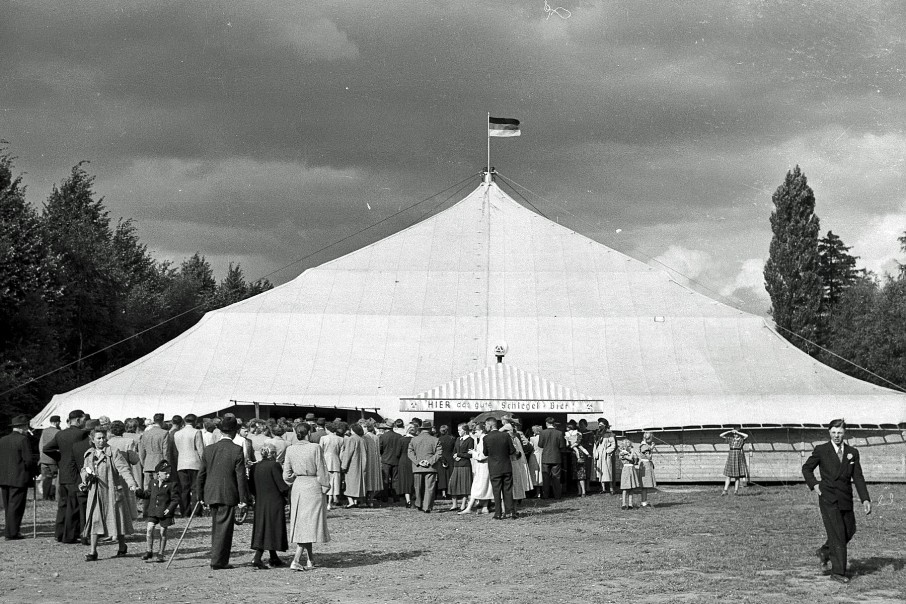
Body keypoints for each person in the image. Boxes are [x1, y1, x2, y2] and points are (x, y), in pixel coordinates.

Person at [802, 419, 871, 584]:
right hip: (828, 497)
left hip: (845, 498)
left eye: (839, 432)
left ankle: (825, 552)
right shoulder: (821, 450)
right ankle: (838, 572)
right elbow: (807, 468)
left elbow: (858, 477)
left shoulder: (852, 452)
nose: (836, 436)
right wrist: (815, 485)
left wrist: (865, 498)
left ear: (844, 433)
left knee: (850, 529)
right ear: (829, 433)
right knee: (838, 534)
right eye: (833, 432)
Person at [196, 416, 250, 570]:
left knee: (217, 527)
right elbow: (240, 477)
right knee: (224, 530)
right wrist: (243, 498)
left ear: (220, 431)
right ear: (234, 431)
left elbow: (201, 474)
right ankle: (218, 561)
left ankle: (218, 559)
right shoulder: (236, 449)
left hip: (211, 493)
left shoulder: (209, 449)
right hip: (227, 493)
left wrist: (200, 496)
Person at [80, 428, 140, 561]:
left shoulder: (113, 452)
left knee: (117, 520)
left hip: (112, 492)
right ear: (92, 440)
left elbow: (124, 468)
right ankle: (93, 551)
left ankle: (122, 545)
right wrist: (85, 478)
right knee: (95, 520)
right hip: (95, 493)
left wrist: (131, 483)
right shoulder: (89, 454)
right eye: (99, 438)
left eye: (104, 438)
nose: (102, 441)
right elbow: (84, 469)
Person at [283, 423, 330, 571]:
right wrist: (325, 486)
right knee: (309, 524)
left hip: (298, 486)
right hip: (312, 485)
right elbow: (322, 469)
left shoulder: (290, 449)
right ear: (308, 433)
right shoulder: (315, 448)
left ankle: (310, 559)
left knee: (303, 523)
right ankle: (296, 559)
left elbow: (286, 475)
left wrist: (293, 478)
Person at [43, 409, 89, 543]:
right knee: (75, 506)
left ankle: (59, 533)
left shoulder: (60, 434)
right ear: (79, 420)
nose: (85, 422)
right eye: (84, 420)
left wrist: (60, 459)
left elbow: (46, 449)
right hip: (75, 473)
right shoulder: (82, 434)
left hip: (63, 473)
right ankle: (70, 536)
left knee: (63, 504)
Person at [249, 443, 289, 569]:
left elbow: (251, 486)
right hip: (274, 501)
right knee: (272, 528)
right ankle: (257, 557)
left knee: (263, 527)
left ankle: (273, 557)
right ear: (272, 453)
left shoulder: (255, 467)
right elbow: (281, 485)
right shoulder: (274, 465)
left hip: (261, 501)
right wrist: (290, 489)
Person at [0, 415, 38, 540]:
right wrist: (34, 472)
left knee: (8, 506)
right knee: (16, 507)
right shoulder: (23, 440)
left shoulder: (3, 439)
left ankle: (10, 530)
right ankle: (12, 532)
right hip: (18, 477)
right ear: (23, 427)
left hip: (4, 477)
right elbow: (28, 460)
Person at [138, 460, 179, 563]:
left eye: (169, 472)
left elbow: (175, 499)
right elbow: (148, 494)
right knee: (149, 529)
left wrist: (169, 509)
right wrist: (138, 493)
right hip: (153, 511)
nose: (168, 475)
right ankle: (149, 550)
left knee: (163, 532)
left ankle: (161, 553)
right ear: (158, 474)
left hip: (164, 512)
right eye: (165, 473)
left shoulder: (172, 484)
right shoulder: (153, 483)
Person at [106, 421, 142, 521]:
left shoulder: (108, 442)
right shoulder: (129, 441)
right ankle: (128, 519)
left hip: (112, 473)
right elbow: (134, 460)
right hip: (125, 473)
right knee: (127, 497)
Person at [483, 417, 517, 520]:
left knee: (496, 491)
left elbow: (485, 453)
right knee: (507, 490)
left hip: (494, 467)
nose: (485, 427)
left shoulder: (486, 438)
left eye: (486, 425)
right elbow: (512, 451)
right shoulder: (505, 436)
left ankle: (498, 513)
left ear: (490, 425)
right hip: (506, 466)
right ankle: (510, 512)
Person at [172, 414, 205, 517]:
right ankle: (196, 512)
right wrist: (204, 461)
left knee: (183, 489)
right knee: (196, 488)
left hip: (181, 462)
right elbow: (200, 448)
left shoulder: (177, 434)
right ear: (195, 421)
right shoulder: (196, 432)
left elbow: (176, 449)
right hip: (194, 462)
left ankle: (185, 511)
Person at [408, 420, 442, 513]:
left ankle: (418, 504)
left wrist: (418, 462)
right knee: (429, 487)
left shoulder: (414, 439)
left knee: (417, 487)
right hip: (431, 467)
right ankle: (427, 507)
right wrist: (429, 462)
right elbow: (439, 453)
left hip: (417, 467)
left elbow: (410, 453)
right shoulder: (435, 440)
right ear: (430, 429)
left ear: (421, 429)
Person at [459, 422, 491, 515]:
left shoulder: (483, 439)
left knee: (477, 487)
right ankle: (484, 507)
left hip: (483, 466)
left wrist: (473, 453)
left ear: (481, 431)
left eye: (475, 431)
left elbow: (483, 455)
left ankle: (469, 507)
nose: (474, 433)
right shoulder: (481, 439)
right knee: (484, 487)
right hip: (482, 466)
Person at [537, 417, 566, 499]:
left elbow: (540, 445)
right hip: (556, 457)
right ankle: (557, 495)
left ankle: (545, 495)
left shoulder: (543, 433)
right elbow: (561, 445)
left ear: (546, 423)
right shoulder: (559, 433)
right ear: (554, 423)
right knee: (556, 477)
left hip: (546, 457)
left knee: (546, 477)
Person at [341, 422, 368, 508]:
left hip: (352, 465)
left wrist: (344, 465)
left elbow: (348, 453)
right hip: (361, 464)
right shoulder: (362, 439)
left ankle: (351, 501)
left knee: (349, 483)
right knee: (358, 483)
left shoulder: (351, 439)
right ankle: (355, 501)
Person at [448, 423, 473, 511]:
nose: (458, 432)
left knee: (464, 485)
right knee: (453, 484)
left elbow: (470, 454)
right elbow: (454, 450)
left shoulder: (470, 440)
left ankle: (463, 504)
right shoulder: (458, 439)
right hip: (456, 464)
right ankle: (454, 504)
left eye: (460, 430)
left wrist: (459, 455)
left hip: (465, 464)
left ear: (465, 430)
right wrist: (455, 456)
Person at [378, 422, 404, 503]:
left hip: (385, 460)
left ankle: (384, 498)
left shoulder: (382, 436)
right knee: (395, 480)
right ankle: (396, 497)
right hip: (396, 460)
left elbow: (380, 449)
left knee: (385, 480)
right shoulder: (399, 436)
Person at [38, 415, 61, 501]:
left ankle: (45, 496)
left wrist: (41, 456)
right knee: (54, 478)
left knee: (46, 478)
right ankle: (53, 496)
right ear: (57, 422)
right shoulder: (58, 432)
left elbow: (40, 444)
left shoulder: (44, 431)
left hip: (43, 459)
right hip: (53, 459)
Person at [720, 428, 749, 495]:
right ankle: (725, 490)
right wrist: (729, 431)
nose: (735, 435)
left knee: (737, 476)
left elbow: (746, 436)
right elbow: (721, 435)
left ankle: (736, 491)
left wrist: (738, 432)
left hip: (737, 457)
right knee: (728, 475)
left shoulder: (741, 440)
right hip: (731, 457)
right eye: (734, 434)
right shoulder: (731, 439)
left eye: (736, 434)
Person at [361, 420, 383, 506]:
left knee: (367, 479)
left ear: (366, 427)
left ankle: (365, 500)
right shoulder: (376, 437)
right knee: (373, 479)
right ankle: (370, 499)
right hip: (375, 460)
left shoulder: (364, 437)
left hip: (367, 460)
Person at [396, 425, 417, 508]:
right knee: (413, 479)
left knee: (405, 480)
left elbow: (397, 453)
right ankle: (415, 498)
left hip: (403, 460)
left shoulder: (401, 440)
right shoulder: (416, 440)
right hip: (414, 460)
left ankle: (408, 500)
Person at [594, 420, 617, 495]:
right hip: (599, 454)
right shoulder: (598, 433)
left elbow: (613, 444)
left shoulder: (609, 434)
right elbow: (596, 444)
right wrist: (596, 452)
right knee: (601, 471)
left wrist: (608, 451)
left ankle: (611, 488)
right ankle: (603, 488)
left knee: (608, 471)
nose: (600, 426)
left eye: (602, 424)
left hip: (606, 455)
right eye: (599, 424)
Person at [618, 439, 640, 510]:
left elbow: (635, 461)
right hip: (626, 470)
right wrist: (633, 452)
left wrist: (634, 455)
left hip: (631, 469)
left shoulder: (630, 453)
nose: (629, 447)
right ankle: (624, 504)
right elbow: (630, 458)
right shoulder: (622, 453)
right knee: (625, 488)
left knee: (631, 488)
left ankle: (630, 504)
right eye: (628, 446)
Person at [436, 424, 456, 500]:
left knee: (442, 476)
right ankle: (449, 492)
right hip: (450, 457)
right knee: (449, 475)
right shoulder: (452, 439)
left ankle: (443, 493)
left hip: (441, 457)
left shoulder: (438, 439)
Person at [637, 432, 657, 507]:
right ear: (648, 439)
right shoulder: (644, 446)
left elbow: (647, 452)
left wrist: (651, 447)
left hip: (644, 465)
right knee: (644, 485)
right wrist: (652, 450)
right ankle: (644, 502)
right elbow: (649, 457)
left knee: (644, 486)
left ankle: (644, 501)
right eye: (651, 438)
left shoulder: (644, 446)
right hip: (646, 466)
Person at [528, 425, 543, 498]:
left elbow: (530, 447)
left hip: (534, 456)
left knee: (536, 474)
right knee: (541, 473)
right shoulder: (543, 438)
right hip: (542, 455)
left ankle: (537, 492)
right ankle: (541, 492)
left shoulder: (532, 438)